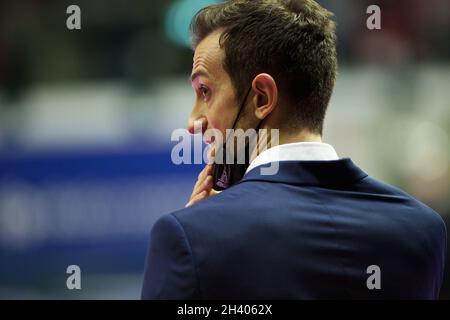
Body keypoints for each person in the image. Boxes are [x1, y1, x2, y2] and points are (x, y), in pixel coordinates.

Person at [141, 0, 446, 299]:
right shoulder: (423, 229)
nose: (193, 122)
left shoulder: (189, 237)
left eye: (204, 91)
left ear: (261, 98)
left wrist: (196, 246)